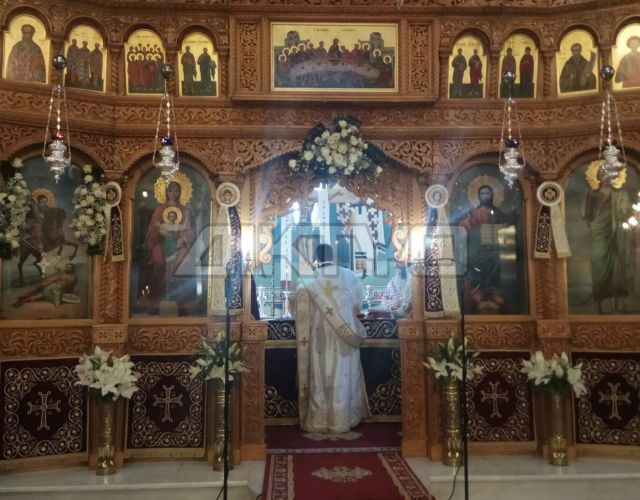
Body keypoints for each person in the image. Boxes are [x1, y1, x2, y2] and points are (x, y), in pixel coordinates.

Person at [294, 243, 367, 433]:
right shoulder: (349, 275)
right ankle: (344, 418)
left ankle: (320, 420)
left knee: (322, 373)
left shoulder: (308, 279)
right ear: (333, 256)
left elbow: (297, 309)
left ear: (317, 258)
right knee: (344, 373)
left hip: (320, 335)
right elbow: (358, 305)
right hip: (344, 334)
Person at [581, 168, 634, 313]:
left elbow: (627, 213)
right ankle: (599, 304)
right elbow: (585, 213)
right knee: (598, 264)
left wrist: (625, 212)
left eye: (611, 175)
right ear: (599, 177)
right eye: (604, 174)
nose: (608, 178)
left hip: (616, 234)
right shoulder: (592, 193)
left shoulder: (620, 194)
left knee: (617, 266)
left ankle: (618, 305)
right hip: (598, 232)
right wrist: (592, 220)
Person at [456, 185, 513, 313]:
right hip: (476, 246)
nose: (485, 196)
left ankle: (494, 290)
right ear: (478, 196)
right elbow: (466, 225)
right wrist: (466, 224)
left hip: (493, 247)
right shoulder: (473, 212)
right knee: (472, 258)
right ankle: (478, 289)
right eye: (482, 193)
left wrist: (503, 227)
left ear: (492, 195)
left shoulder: (498, 213)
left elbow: (507, 229)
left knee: (496, 259)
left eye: (488, 193)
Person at [145, 181, 194, 307]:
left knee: (185, 259)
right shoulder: (159, 209)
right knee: (158, 260)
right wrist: (161, 232)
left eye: (176, 191)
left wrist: (182, 239)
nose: (173, 194)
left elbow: (188, 229)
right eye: (170, 191)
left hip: (179, 244)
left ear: (180, 192)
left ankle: (181, 296)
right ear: (166, 192)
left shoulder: (184, 210)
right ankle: (158, 294)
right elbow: (152, 228)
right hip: (161, 242)